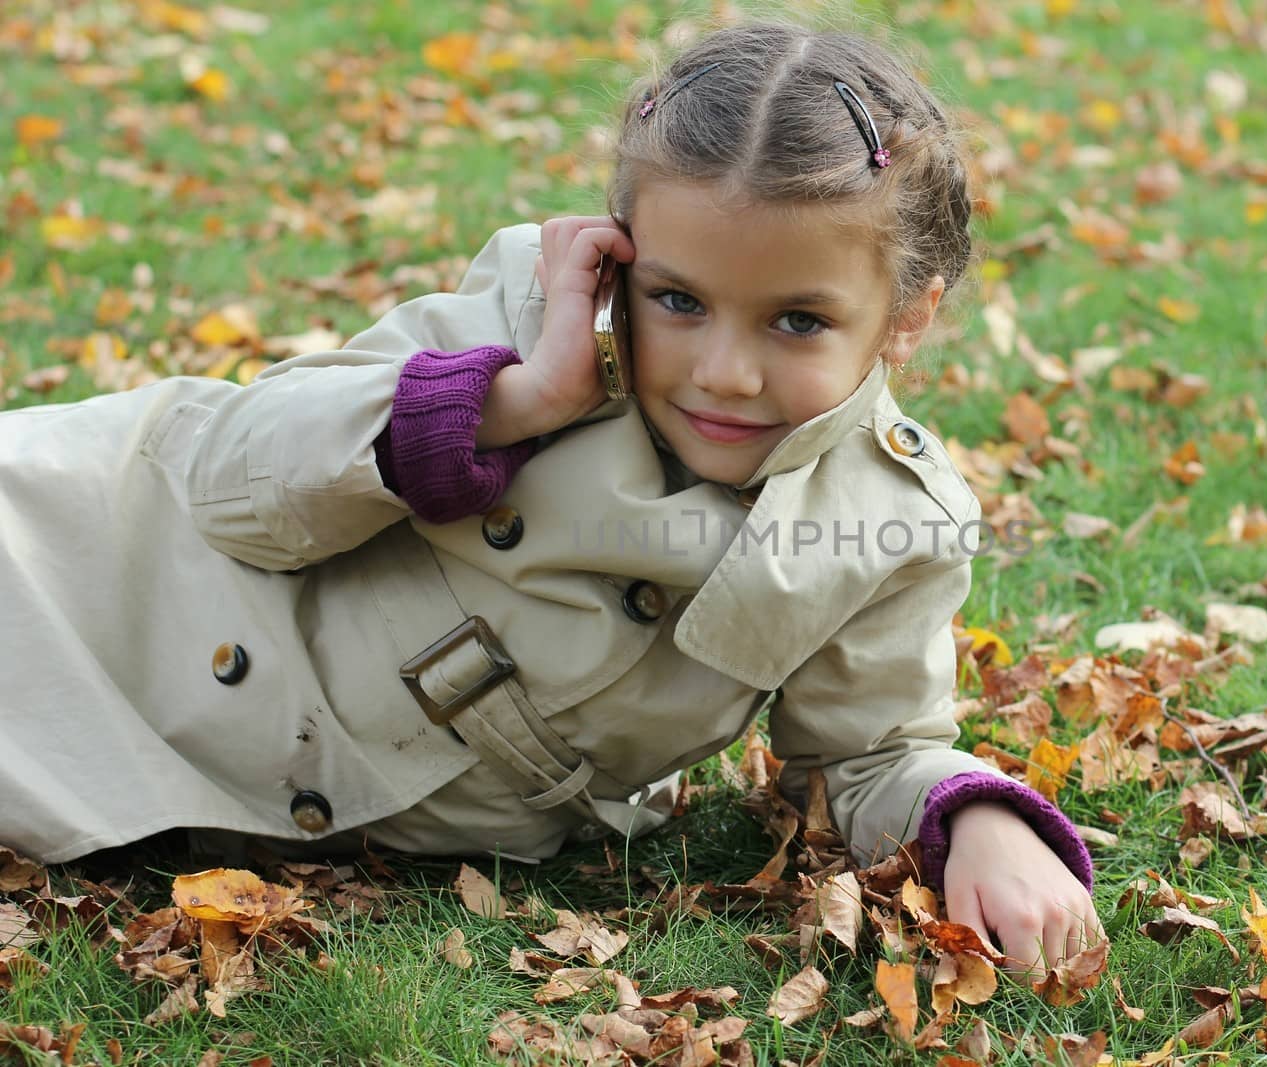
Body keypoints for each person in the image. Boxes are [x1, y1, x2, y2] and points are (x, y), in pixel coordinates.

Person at [0, 21, 1101, 973]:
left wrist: (983, 816)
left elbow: (868, 750)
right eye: (677, 298)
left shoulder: (886, 517)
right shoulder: (535, 316)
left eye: (796, 320)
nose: (722, 369)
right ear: (620, 257)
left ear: (905, 316)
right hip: (97, 572)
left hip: (244, 776)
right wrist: (511, 403)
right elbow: (231, 484)